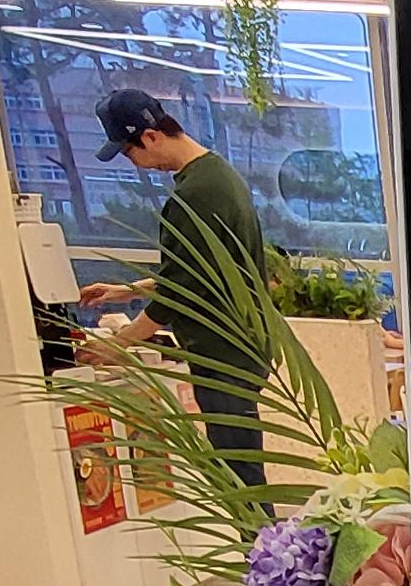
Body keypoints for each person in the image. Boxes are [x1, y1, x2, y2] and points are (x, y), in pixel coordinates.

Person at [84, 88, 271, 489]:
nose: (135, 164)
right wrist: (127, 290)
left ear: (150, 137)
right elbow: (202, 269)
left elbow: (181, 291)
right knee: (241, 469)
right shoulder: (217, 176)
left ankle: (259, 534)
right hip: (241, 345)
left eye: (129, 153)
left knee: (240, 478)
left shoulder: (195, 194)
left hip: (223, 353)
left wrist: (119, 344)